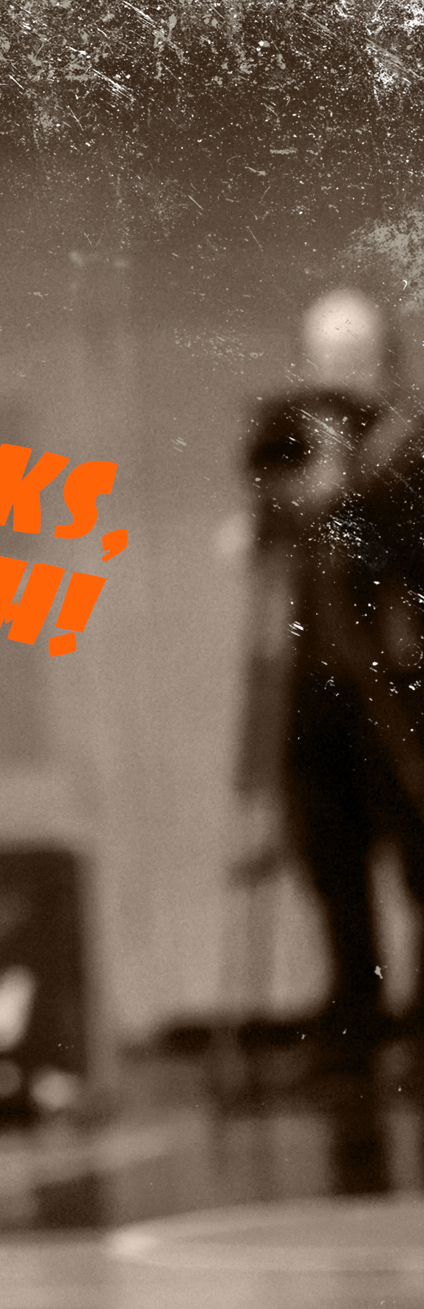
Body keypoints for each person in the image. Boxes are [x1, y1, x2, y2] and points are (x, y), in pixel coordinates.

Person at [239, 290, 424, 1067]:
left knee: (416, 845)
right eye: (324, 356)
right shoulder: (295, 430)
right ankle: (354, 1004)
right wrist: (301, 486)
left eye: (352, 356)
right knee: (328, 848)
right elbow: (264, 493)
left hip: (398, 681)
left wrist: (347, 487)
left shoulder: (407, 443)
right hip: (315, 680)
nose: (338, 373)